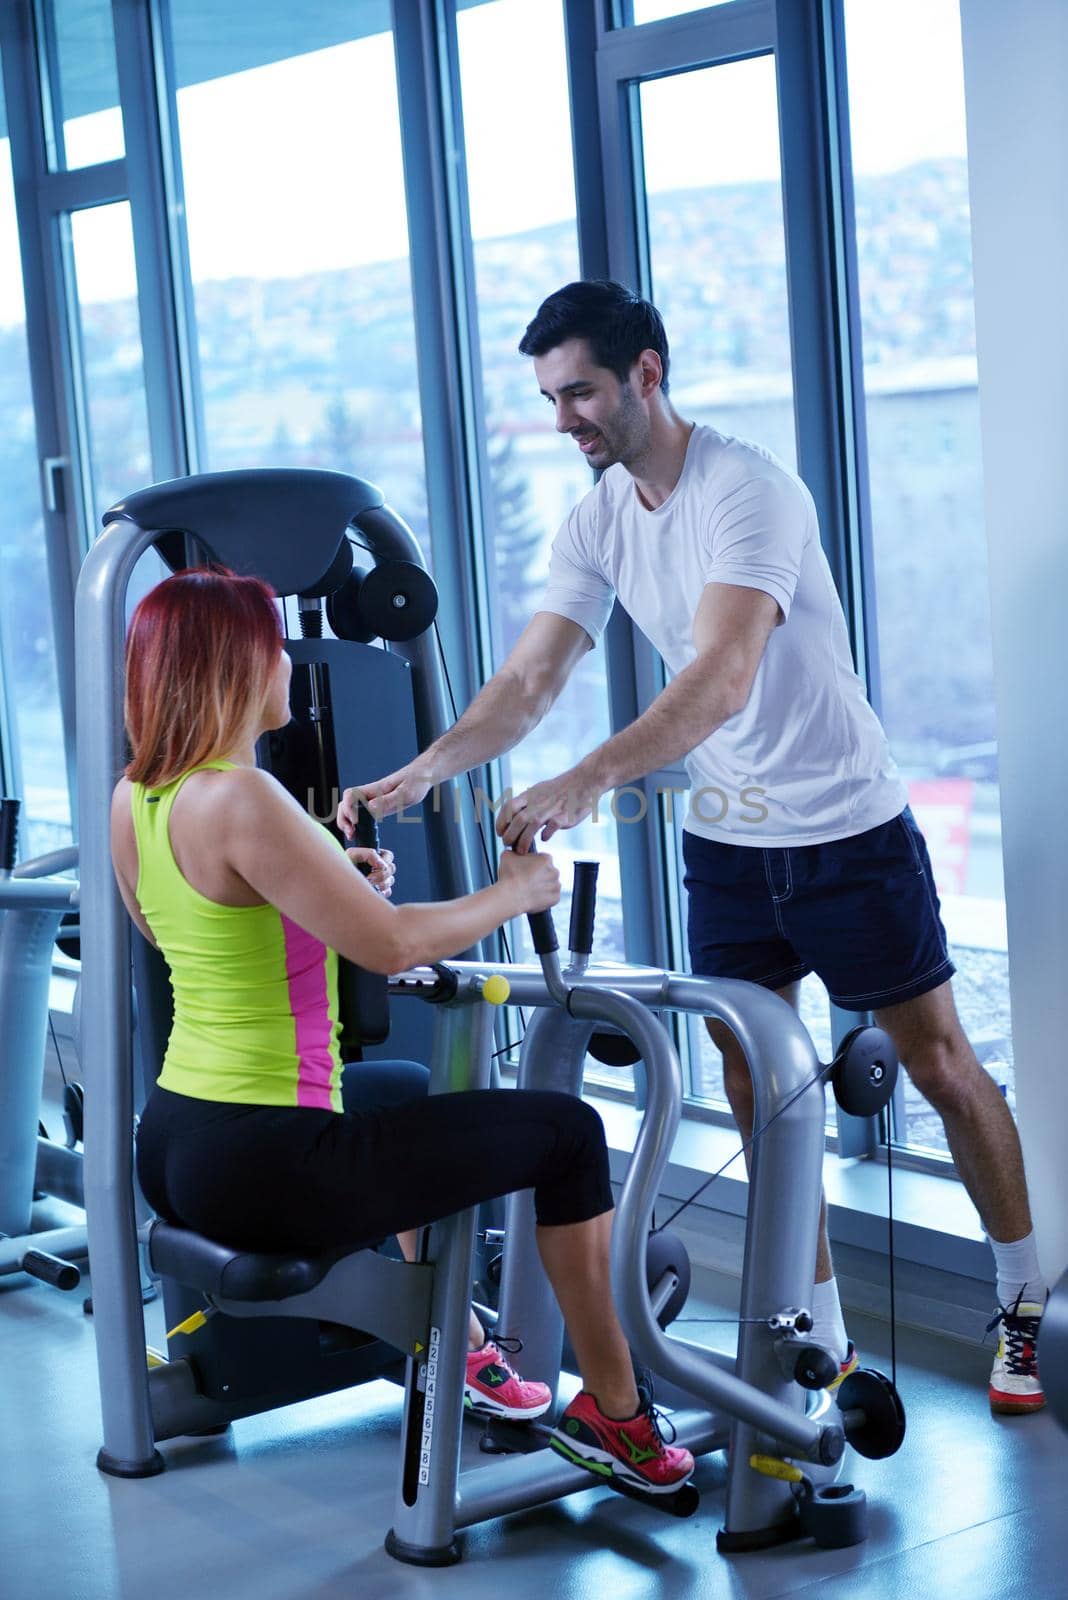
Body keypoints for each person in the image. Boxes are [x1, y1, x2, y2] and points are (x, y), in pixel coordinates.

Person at [341, 278, 1045, 1417]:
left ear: (647, 374)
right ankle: (813, 1342)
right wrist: (425, 769)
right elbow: (530, 677)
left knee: (939, 1064)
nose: (563, 417)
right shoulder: (601, 515)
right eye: (549, 397)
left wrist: (586, 777)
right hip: (728, 843)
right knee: (756, 1080)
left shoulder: (746, 492)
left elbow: (722, 677)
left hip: (844, 823)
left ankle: (1026, 1299)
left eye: (580, 392)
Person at [110, 564, 693, 1495]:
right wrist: (512, 893)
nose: (288, 666)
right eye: (273, 647)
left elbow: (187, 928)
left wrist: (326, 881)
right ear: (235, 664)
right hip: (268, 1160)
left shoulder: (139, 797)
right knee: (567, 1134)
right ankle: (616, 1419)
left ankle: (459, 1347)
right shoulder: (244, 797)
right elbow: (386, 948)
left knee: (407, 1092)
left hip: (178, 1140)